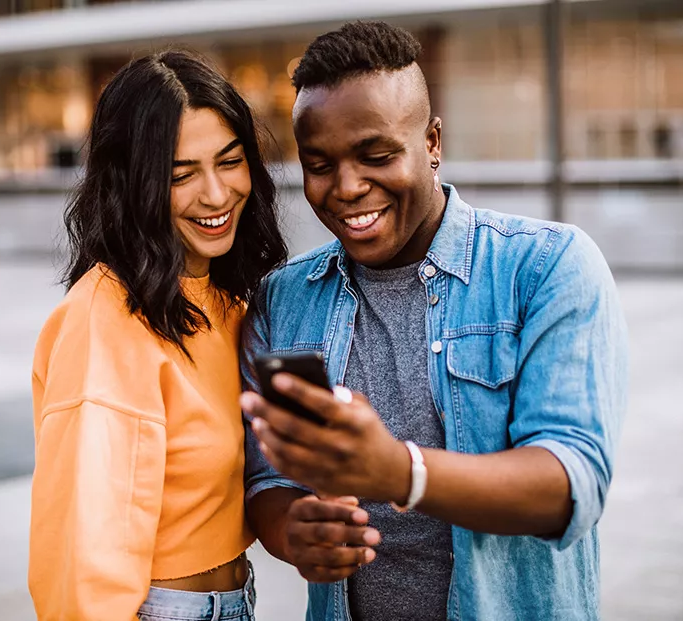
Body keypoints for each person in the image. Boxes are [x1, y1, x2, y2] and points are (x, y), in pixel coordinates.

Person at [239, 21, 628, 621]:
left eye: (377, 155)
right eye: (319, 164)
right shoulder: (281, 299)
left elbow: (570, 487)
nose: (346, 188)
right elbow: (267, 483)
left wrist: (400, 471)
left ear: (433, 142)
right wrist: (296, 533)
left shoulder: (547, 268)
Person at [29, 48, 286, 621]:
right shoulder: (103, 321)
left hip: (233, 601)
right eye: (181, 175)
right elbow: (82, 549)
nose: (217, 195)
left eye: (229, 161)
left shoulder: (228, 301)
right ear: (134, 185)